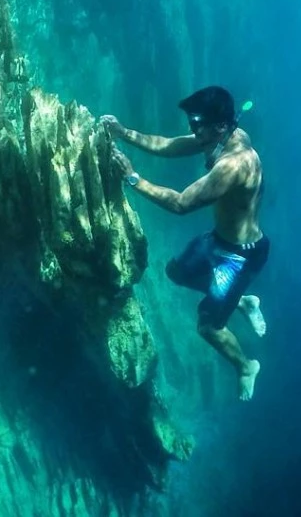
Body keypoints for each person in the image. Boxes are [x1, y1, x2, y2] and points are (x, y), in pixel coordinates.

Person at [101, 86, 269, 401]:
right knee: (176, 273)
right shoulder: (222, 134)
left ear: (220, 125)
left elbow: (181, 204)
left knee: (208, 328)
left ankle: (246, 366)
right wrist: (124, 133)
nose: (192, 130)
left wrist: (132, 178)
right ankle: (244, 301)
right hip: (219, 240)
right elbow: (172, 146)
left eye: (197, 124)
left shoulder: (235, 164)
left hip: (239, 258)